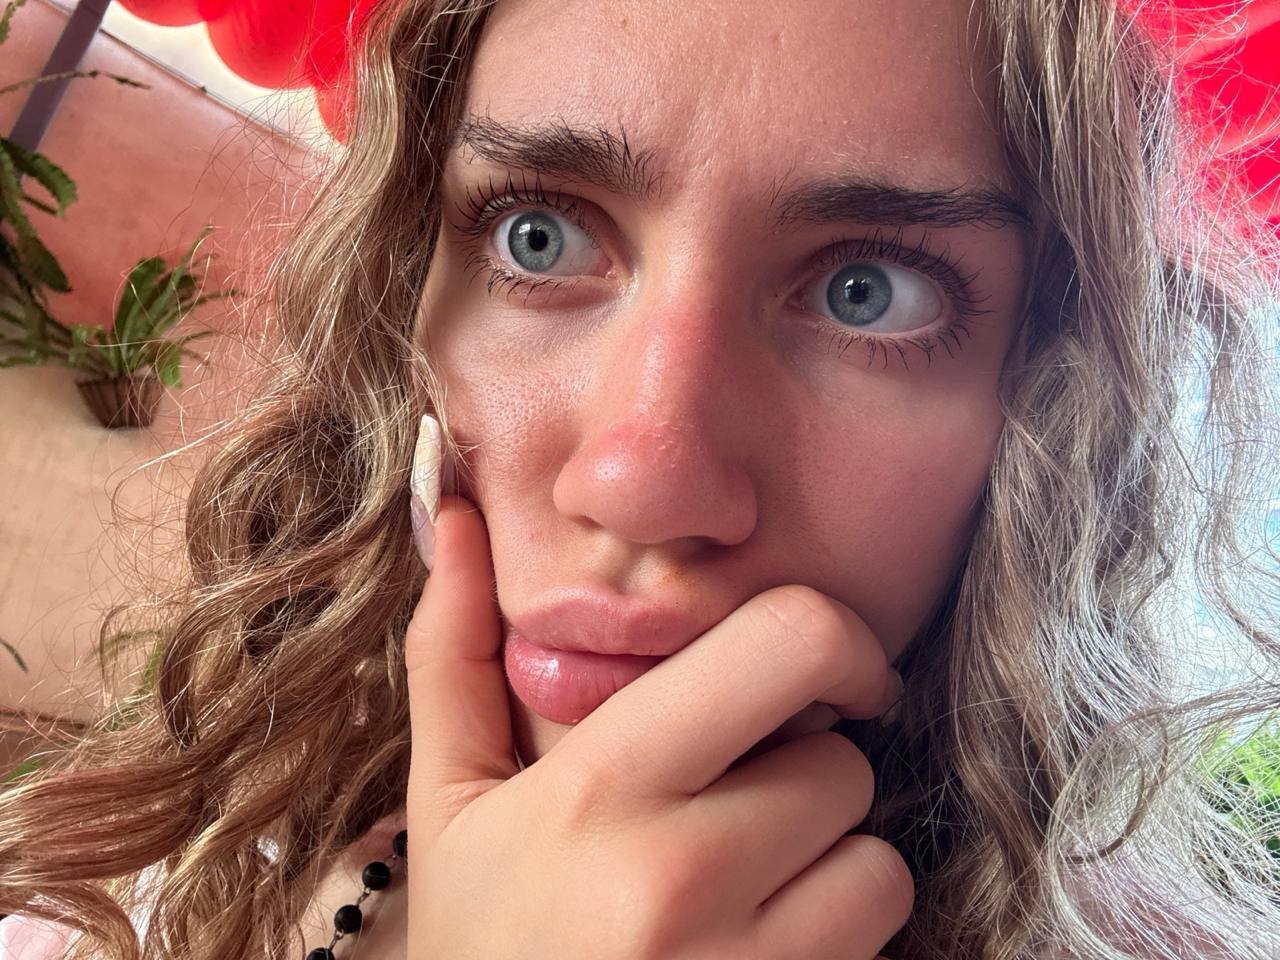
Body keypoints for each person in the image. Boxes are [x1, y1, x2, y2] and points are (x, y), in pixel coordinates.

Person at [1, 0, 1278, 957]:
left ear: (1049, 402)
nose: (639, 483)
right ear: (398, 291)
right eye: (537, 236)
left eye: (866, 292)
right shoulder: (187, 849)